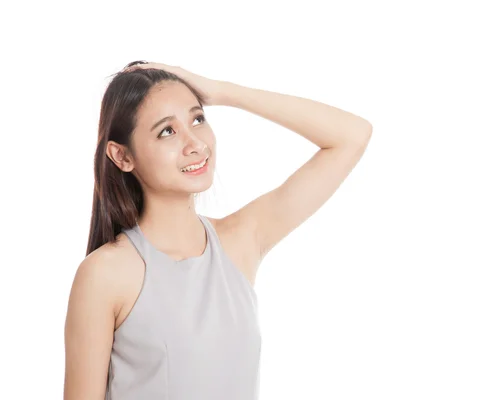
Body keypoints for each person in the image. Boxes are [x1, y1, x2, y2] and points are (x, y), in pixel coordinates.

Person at [63, 60, 373, 400]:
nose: (195, 143)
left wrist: (224, 92)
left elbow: (351, 135)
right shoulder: (105, 274)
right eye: (167, 130)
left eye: (198, 119)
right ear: (121, 156)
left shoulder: (239, 241)